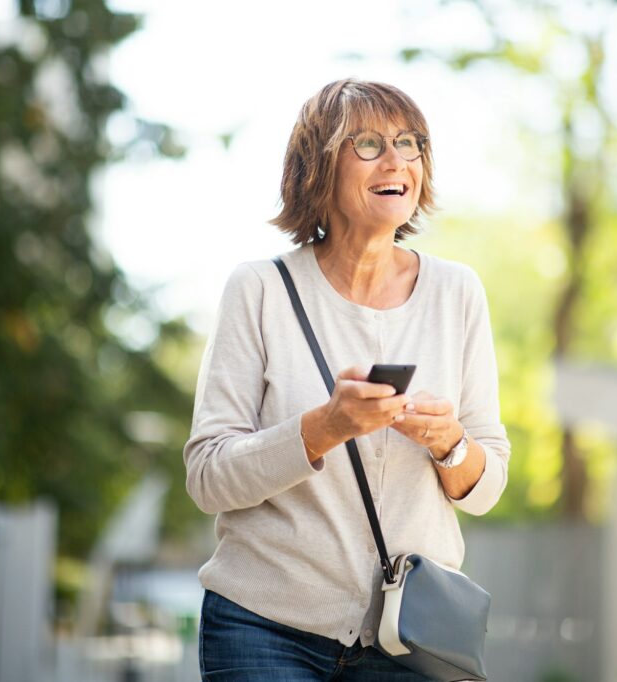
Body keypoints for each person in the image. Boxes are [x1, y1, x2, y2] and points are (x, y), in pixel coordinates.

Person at [183, 78, 511, 681]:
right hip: (264, 628)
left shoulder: (458, 292)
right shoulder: (259, 290)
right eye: (368, 144)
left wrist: (449, 441)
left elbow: (486, 488)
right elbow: (208, 477)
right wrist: (324, 428)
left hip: (410, 637)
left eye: (409, 143)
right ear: (318, 168)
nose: (396, 161)